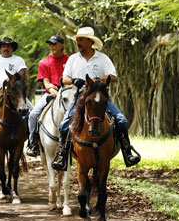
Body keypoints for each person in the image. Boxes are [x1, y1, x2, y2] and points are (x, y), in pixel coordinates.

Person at [51, 27, 141, 170]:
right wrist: (74, 80)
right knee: (64, 125)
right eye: (77, 40)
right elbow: (64, 79)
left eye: (81, 40)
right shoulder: (73, 59)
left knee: (122, 121)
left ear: (89, 41)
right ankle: (62, 156)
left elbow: (113, 76)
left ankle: (127, 152)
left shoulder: (103, 58)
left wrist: (99, 79)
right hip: (80, 98)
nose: (78, 43)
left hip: (99, 98)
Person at [25, 35, 69, 157]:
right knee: (33, 115)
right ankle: (33, 143)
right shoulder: (44, 62)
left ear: (62, 45)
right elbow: (46, 81)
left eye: (54, 44)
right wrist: (52, 89)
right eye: (50, 44)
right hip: (50, 92)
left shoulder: (69, 60)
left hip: (67, 92)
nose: (51, 46)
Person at [0, 36, 33, 128]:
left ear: (12, 48)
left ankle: (32, 138)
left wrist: (12, 79)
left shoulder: (19, 60)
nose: (6, 48)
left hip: (15, 93)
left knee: (32, 112)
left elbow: (22, 74)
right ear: (0, 48)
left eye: (8, 46)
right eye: (4, 46)